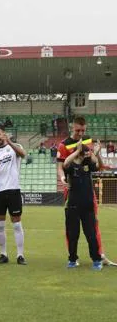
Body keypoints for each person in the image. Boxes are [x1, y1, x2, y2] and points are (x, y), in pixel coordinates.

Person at [56, 115, 115, 266]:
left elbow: (95, 163)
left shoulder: (88, 140)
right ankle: (73, 257)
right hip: (71, 190)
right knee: (72, 228)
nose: (81, 133)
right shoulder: (64, 145)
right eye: (78, 130)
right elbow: (60, 167)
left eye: (83, 130)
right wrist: (62, 179)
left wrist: (96, 153)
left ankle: (99, 255)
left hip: (87, 189)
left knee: (92, 225)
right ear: (72, 128)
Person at [0, 124, 27, 265]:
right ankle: (3, 254)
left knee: (16, 224)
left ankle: (20, 255)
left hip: (13, 189)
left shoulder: (14, 146)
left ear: (4, 134)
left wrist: (9, 142)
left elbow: (23, 154)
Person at [62, 142, 102, 270]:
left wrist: (97, 153)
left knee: (91, 234)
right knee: (73, 234)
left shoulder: (88, 164)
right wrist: (76, 151)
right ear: (79, 153)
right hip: (73, 205)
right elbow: (65, 164)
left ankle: (96, 259)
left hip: (87, 205)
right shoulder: (71, 165)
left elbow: (98, 165)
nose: (87, 155)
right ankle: (72, 259)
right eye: (84, 153)